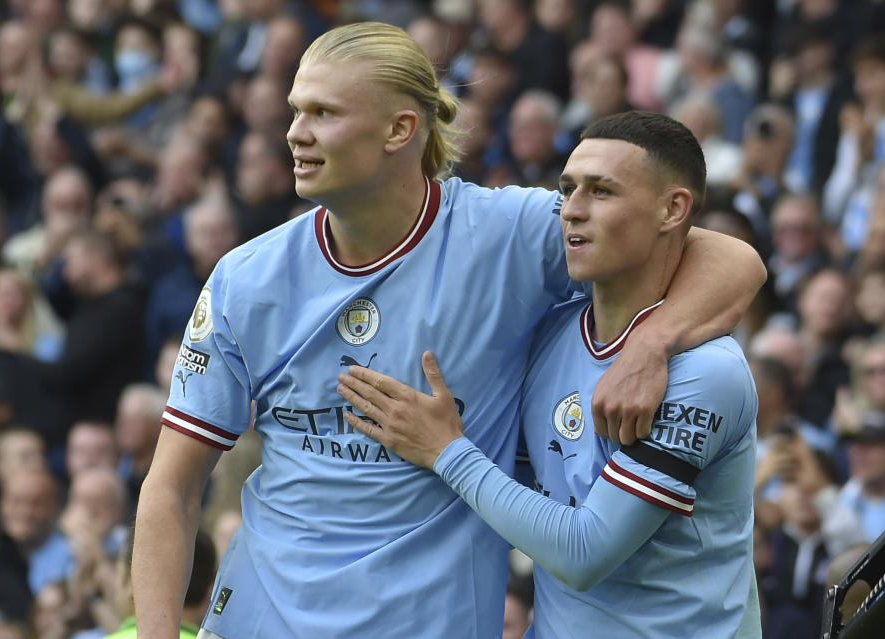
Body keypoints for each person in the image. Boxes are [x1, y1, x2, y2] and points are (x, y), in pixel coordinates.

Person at [132, 24, 766, 638]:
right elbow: (171, 487)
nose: (295, 133)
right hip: (259, 621)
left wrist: (652, 343)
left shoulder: (508, 236)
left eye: (323, 113)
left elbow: (724, 255)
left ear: (400, 129)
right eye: (296, 111)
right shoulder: (247, 277)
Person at [338, 112, 761, 638]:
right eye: (567, 189)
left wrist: (446, 450)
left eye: (601, 192)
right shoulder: (552, 333)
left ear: (672, 209)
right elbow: (515, 486)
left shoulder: (705, 372)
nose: (571, 211)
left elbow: (585, 553)